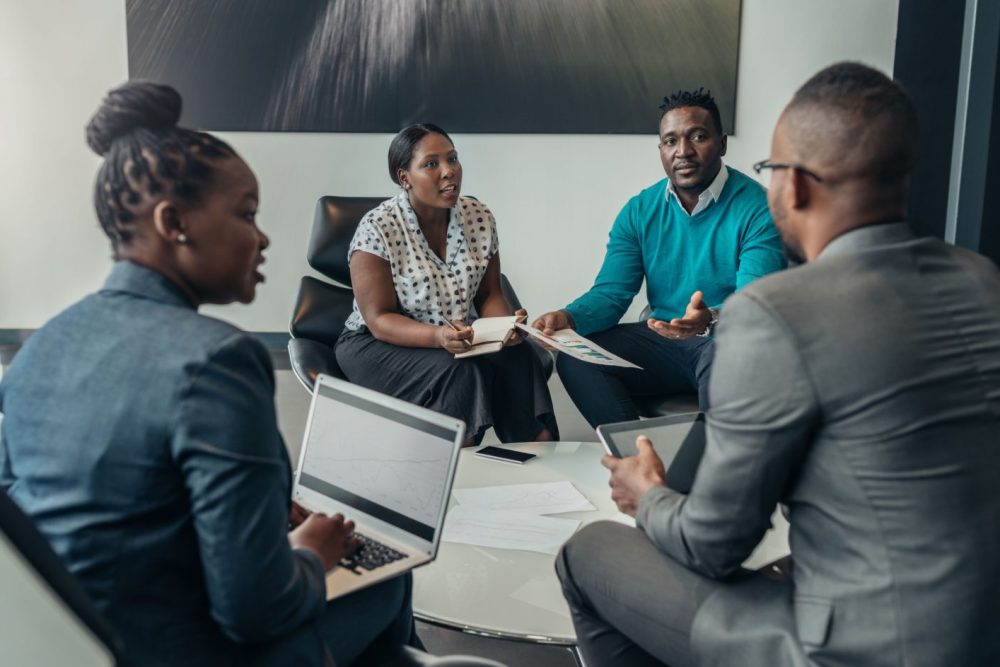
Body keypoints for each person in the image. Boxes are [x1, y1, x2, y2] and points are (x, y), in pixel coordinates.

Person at [556, 63, 1000, 666]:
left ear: (794, 187)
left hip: (851, 647)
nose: (684, 150)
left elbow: (712, 547)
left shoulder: (776, 312)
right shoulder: (983, 281)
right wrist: (564, 317)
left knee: (588, 552)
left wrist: (650, 495)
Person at [0, 81, 419, 667]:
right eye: (247, 213)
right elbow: (256, 609)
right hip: (186, 650)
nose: (263, 237)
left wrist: (266, 509)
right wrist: (307, 553)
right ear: (174, 222)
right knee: (385, 579)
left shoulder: (39, 350)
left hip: (79, 643)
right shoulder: (217, 359)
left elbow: (104, 512)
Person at [533, 89, 786, 428]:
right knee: (576, 357)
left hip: (726, 342)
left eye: (698, 136)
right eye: (670, 141)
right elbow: (612, 294)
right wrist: (568, 317)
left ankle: (713, 472)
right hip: (661, 339)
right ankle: (635, 461)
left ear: (722, 143)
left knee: (726, 359)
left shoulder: (759, 208)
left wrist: (708, 320)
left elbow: (755, 308)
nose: (683, 152)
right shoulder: (639, 210)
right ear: (661, 150)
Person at [335, 123, 558, 445]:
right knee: (459, 372)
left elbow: (489, 293)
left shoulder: (478, 216)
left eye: (452, 159)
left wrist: (503, 328)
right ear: (404, 178)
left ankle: (539, 457)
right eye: (431, 164)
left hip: (457, 337)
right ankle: (456, 470)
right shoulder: (377, 227)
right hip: (375, 343)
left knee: (519, 356)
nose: (448, 171)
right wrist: (438, 336)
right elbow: (379, 319)